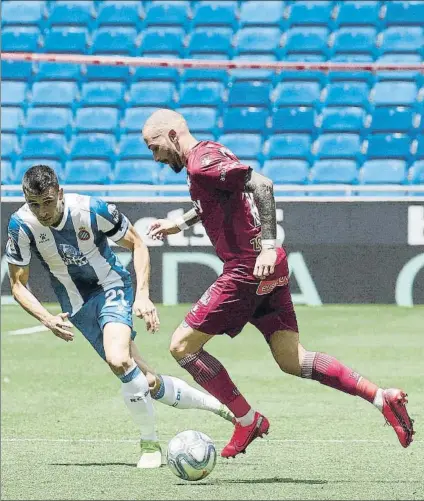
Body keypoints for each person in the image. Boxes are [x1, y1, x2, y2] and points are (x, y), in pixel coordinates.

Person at [143, 109, 415, 459]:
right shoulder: (210, 152)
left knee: (182, 346)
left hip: (247, 267)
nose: (155, 157)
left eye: (154, 147)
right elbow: (217, 199)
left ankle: (246, 420)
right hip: (267, 267)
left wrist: (267, 245)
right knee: (292, 359)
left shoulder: (201, 163)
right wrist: (179, 223)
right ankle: (382, 398)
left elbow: (262, 185)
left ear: (172, 135)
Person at [6, 165, 234, 469]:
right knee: (146, 380)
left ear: (59, 193)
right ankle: (221, 407)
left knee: (118, 359)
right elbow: (17, 283)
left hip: (111, 286)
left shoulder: (91, 210)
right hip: (77, 304)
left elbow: (137, 243)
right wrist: (46, 318)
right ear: (24, 198)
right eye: (34, 204)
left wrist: (142, 295)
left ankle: (150, 445)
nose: (42, 211)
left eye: (48, 201)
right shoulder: (21, 225)